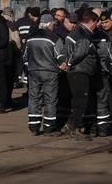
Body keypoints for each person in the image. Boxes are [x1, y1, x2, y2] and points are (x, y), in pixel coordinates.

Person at [24, 13, 67, 134]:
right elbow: (60, 56)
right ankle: (49, 126)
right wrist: (62, 65)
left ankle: (34, 126)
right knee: (50, 99)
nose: (54, 26)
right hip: (50, 72)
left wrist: (30, 66)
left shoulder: (31, 37)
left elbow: (25, 57)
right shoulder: (54, 38)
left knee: (34, 98)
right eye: (53, 23)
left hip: (33, 71)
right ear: (49, 24)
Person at [63, 10, 102, 141]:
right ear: (91, 22)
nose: (96, 26)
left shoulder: (76, 32)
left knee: (78, 101)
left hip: (76, 72)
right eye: (96, 23)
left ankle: (70, 125)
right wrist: (70, 62)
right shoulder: (83, 36)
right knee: (81, 102)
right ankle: (76, 129)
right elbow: (79, 53)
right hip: (80, 73)